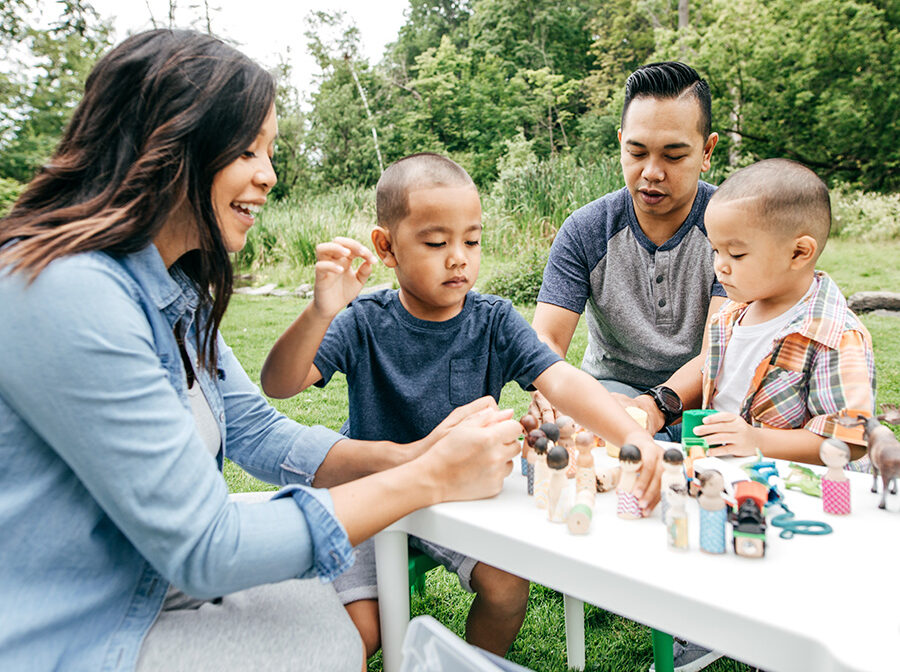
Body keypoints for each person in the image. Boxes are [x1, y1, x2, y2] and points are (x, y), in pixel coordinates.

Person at [0, 30, 524, 672]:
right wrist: (428, 476)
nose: (269, 175)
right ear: (168, 144)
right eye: (247, 148)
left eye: (270, 150)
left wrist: (408, 454)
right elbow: (206, 547)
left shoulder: (172, 287)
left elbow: (255, 428)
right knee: (327, 640)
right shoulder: (65, 293)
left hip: (146, 578)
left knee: (325, 620)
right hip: (79, 626)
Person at [260, 152, 663, 660]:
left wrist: (632, 434)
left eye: (471, 240)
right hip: (371, 490)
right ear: (387, 247)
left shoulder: (493, 319)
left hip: (458, 494)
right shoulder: (363, 320)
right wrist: (321, 311)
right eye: (436, 242)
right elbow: (280, 383)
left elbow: (562, 379)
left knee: (508, 585)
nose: (459, 257)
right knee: (362, 634)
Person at [531, 62, 726, 443]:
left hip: (707, 401)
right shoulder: (585, 230)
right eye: (636, 152)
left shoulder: (732, 229)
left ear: (707, 151)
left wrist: (654, 408)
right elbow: (547, 340)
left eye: (673, 156)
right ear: (620, 141)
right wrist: (546, 387)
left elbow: (718, 353)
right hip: (607, 395)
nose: (651, 172)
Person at [692, 158, 876, 462]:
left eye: (736, 254)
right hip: (726, 475)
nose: (720, 266)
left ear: (799, 252)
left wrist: (755, 440)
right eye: (716, 250)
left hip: (795, 488)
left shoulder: (836, 336)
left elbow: (851, 442)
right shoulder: (729, 316)